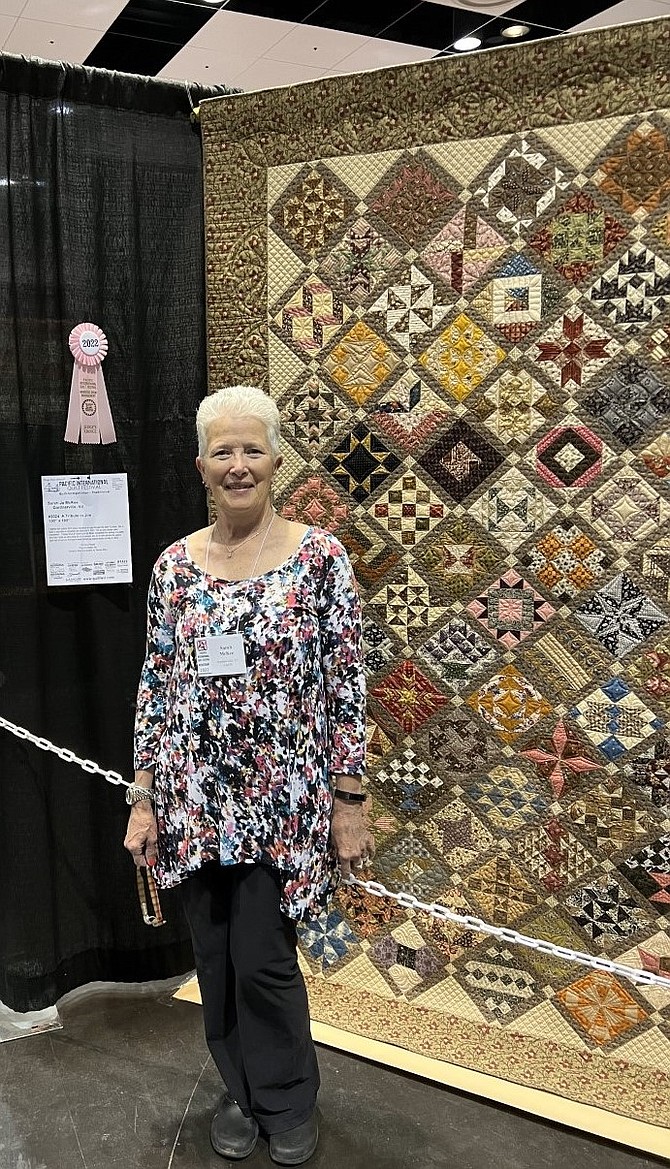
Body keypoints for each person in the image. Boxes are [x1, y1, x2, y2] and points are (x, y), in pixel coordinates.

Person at [124, 384, 373, 1165]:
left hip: (281, 807)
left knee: (264, 959)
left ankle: (288, 1097)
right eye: (223, 452)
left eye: (252, 449)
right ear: (201, 465)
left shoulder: (318, 557)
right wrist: (144, 798)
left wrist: (350, 798)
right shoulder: (175, 567)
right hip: (195, 803)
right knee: (215, 958)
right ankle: (237, 1087)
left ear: (275, 460)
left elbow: (347, 683)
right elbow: (156, 686)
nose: (239, 465)